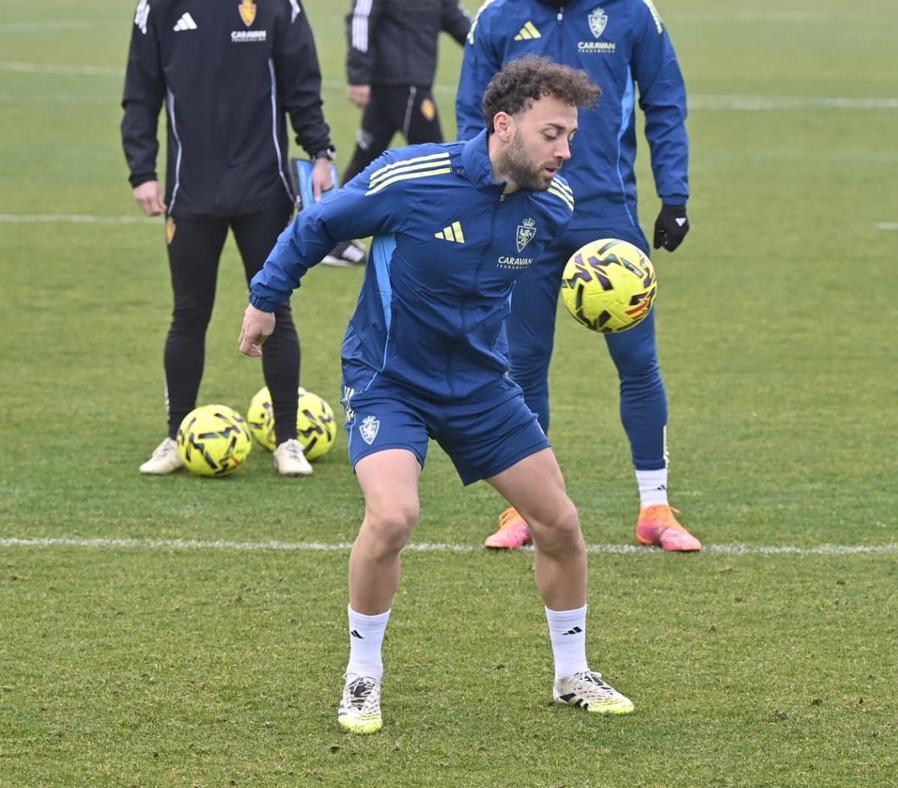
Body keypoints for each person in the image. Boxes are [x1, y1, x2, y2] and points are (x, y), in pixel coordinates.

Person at [239, 56, 633, 734]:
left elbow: (580, 264)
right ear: (504, 124)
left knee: (561, 523)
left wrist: (616, 278)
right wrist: (266, 300)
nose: (566, 151)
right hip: (389, 378)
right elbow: (318, 225)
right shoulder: (410, 177)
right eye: (552, 134)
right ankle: (362, 674)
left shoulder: (553, 203)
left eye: (572, 135)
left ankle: (572, 673)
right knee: (393, 516)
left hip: (481, 386)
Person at [455, 0, 700, 551]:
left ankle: (655, 507)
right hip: (522, 214)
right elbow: (472, 114)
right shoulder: (497, 16)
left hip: (606, 217)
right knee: (522, 362)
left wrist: (674, 194)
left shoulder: (633, 13)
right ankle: (523, 508)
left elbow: (664, 102)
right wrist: (477, 197)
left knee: (638, 361)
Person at [122, 0, 338, 477]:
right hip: (190, 190)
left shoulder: (279, 5)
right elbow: (141, 91)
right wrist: (142, 170)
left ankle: (287, 440)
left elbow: (302, 81)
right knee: (189, 313)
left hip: (264, 190)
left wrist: (319, 150)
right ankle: (175, 435)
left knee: (275, 309)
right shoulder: (157, 7)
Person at [322, 0, 473, 268]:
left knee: (365, 159)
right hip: (401, 83)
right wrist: (358, 75)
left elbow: (458, 20)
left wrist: (495, 45)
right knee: (436, 159)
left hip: (407, 82)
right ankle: (446, 240)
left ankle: (331, 237)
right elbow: (361, 17)